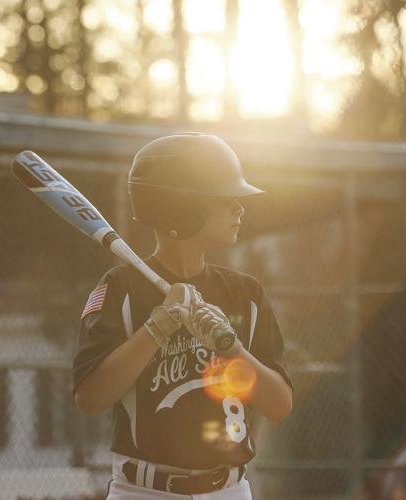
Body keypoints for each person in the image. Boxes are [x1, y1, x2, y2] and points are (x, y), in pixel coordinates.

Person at [73, 133, 293, 499]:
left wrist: (231, 348)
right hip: (143, 491)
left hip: (229, 491)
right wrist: (157, 327)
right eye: (224, 199)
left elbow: (279, 404)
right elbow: (90, 398)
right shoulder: (121, 289)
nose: (238, 209)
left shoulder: (245, 293)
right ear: (181, 209)